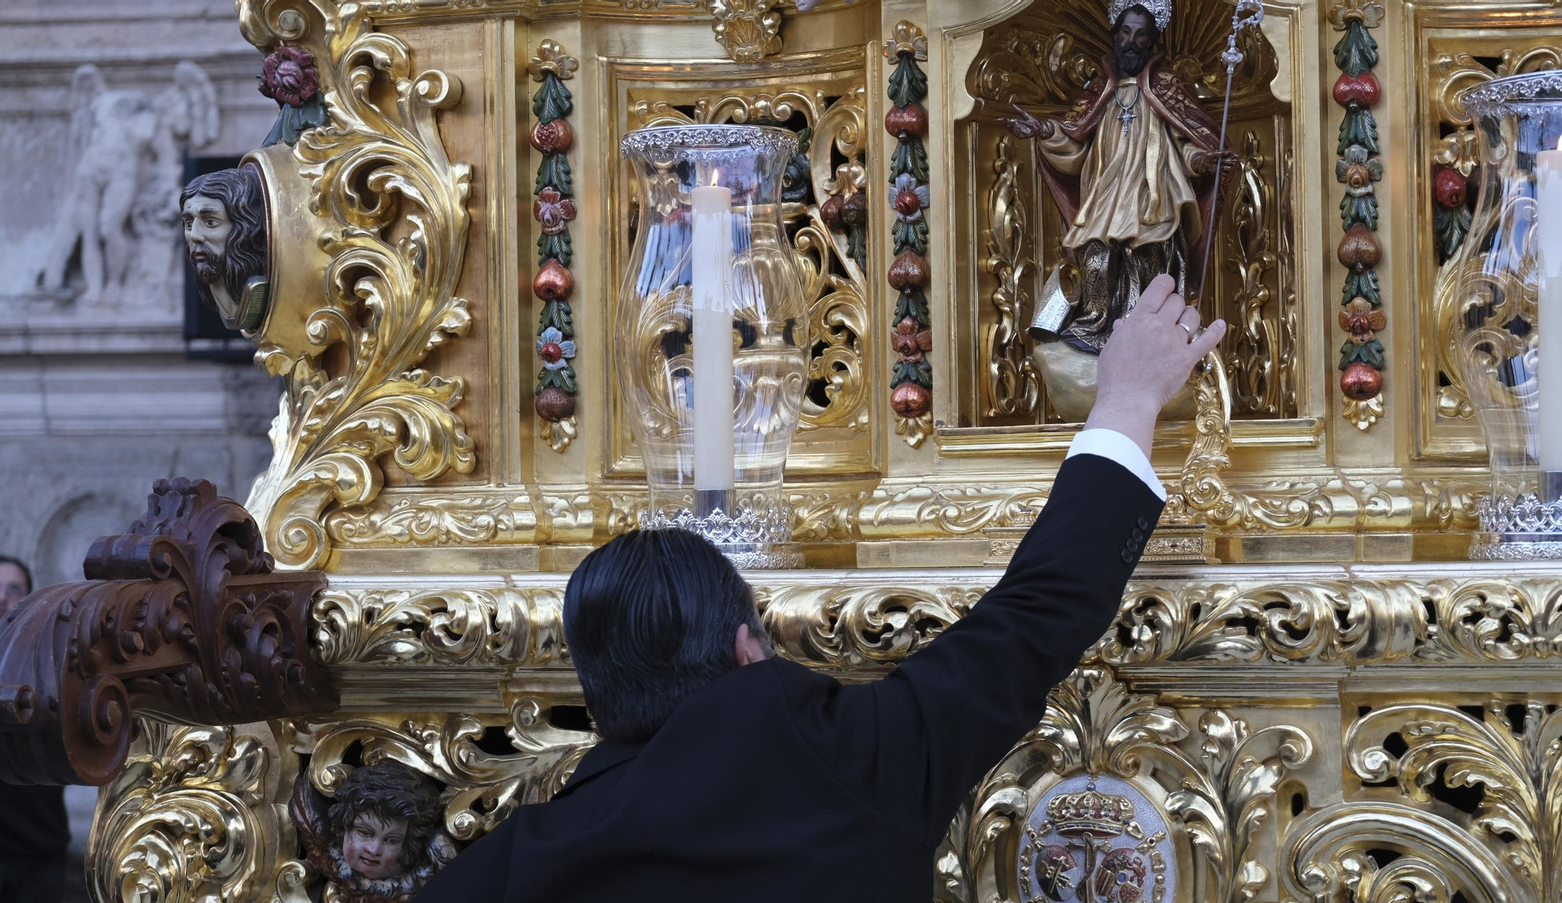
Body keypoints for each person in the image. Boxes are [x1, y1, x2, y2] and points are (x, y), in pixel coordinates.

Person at [415, 276, 1225, 902]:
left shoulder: (513, 864)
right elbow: (1036, 611)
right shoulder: (852, 759)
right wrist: (1128, 396)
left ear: (597, 692)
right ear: (747, 647)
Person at [1002, 0, 1233, 352]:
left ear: (1150, 40)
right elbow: (1075, 147)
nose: (1131, 42)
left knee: (1148, 268)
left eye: (1140, 35)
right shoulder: (1100, 92)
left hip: (1153, 204)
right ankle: (1096, 328)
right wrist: (1044, 130)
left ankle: (1144, 339)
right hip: (1106, 201)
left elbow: (1187, 142)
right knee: (1096, 262)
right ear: (1115, 35)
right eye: (1125, 32)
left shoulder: (1167, 87)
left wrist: (1201, 160)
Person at [0, 555, 70, 903]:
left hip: (38, 858)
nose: (2, 599)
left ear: (28, 602)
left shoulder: (51, 666)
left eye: (13, 590)